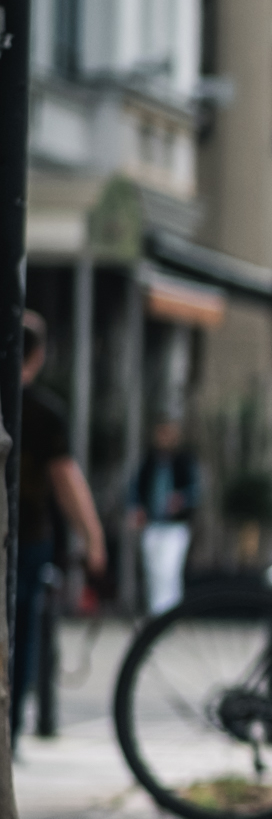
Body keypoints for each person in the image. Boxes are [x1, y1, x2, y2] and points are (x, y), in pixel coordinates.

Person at [12, 311, 108, 736]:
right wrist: (93, 538)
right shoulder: (45, 413)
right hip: (28, 537)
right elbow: (67, 481)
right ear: (38, 355)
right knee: (22, 635)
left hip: (28, 538)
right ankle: (9, 732)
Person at [128, 418, 198, 615]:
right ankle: (156, 613)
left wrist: (181, 500)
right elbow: (135, 490)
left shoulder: (184, 461)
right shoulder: (148, 461)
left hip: (175, 526)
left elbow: (195, 491)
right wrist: (136, 509)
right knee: (153, 571)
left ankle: (170, 614)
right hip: (153, 524)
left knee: (169, 570)